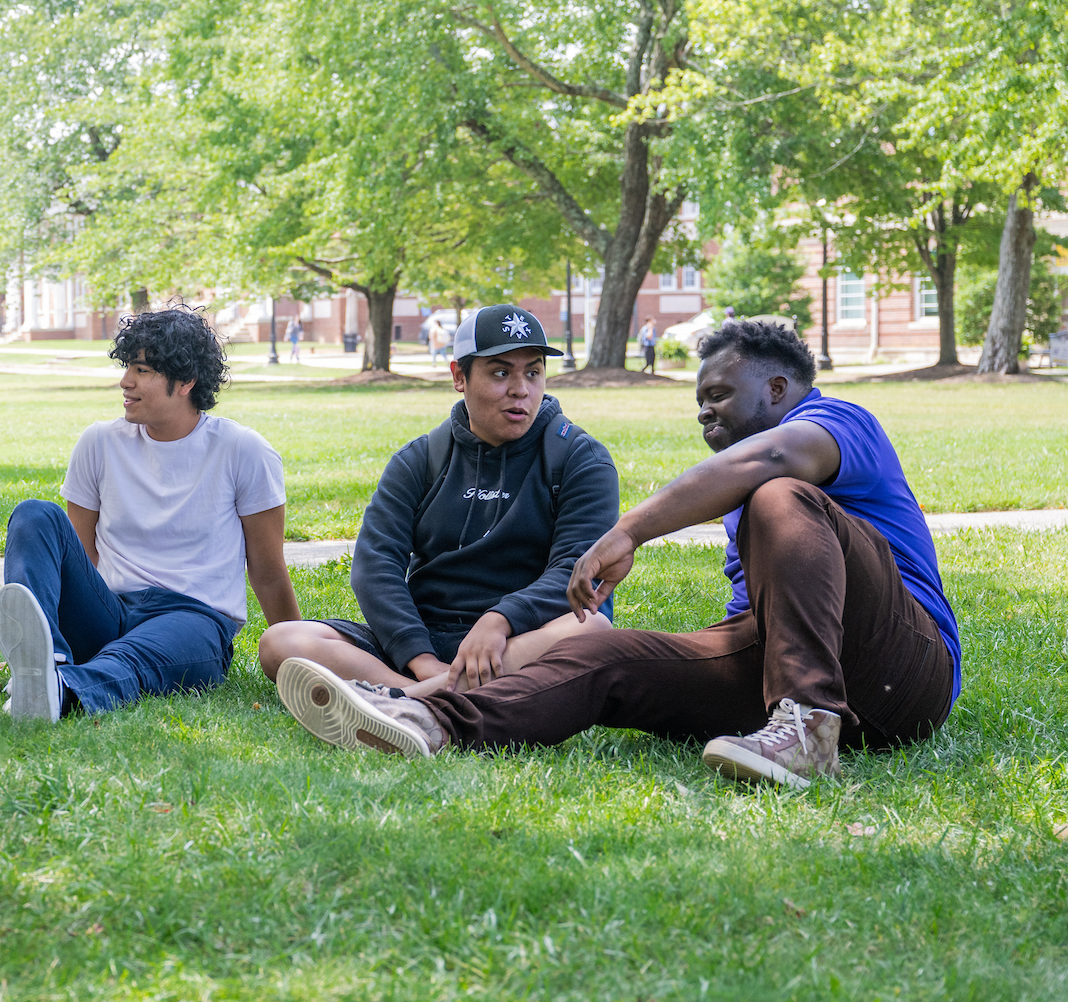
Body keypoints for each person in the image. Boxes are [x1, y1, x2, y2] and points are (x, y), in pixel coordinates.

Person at [277, 318, 960, 788]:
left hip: (904, 672)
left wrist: (629, 529)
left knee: (778, 494)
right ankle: (424, 719)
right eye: (699, 400)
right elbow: (761, 618)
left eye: (719, 394)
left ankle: (810, 726)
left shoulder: (838, 424)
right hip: (776, 673)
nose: (705, 413)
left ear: (777, 390)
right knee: (603, 651)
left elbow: (777, 458)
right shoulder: (420, 455)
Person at [259, 306, 619, 700]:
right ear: (458, 377)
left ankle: (400, 703)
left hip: (519, 642)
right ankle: (426, 695)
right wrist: (420, 657)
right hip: (426, 643)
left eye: (532, 372)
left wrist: (499, 620)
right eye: (501, 372)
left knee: (592, 630)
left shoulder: (580, 458)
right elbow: (375, 565)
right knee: (282, 640)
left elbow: (577, 571)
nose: (521, 389)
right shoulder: (421, 458)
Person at [0, 307, 300, 721]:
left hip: (193, 622)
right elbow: (77, 558)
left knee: (135, 658)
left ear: (186, 380)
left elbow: (266, 570)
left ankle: (59, 691)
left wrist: (302, 654)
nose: (125, 381)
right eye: (127, 367)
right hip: (110, 610)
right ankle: (48, 662)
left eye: (142, 370)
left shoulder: (244, 451)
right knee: (35, 515)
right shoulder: (99, 443)